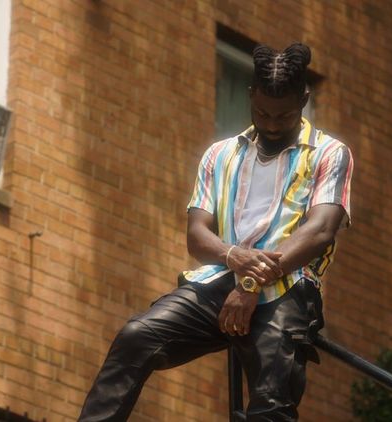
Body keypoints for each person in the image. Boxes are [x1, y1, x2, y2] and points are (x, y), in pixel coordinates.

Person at [78, 43, 353, 421]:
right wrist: (233, 256)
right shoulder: (220, 154)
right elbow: (197, 236)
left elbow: (320, 230)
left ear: (304, 100)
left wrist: (251, 284)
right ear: (250, 96)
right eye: (262, 113)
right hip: (219, 280)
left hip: (289, 288)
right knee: (136, 337)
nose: (272, 124)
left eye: (285, 115)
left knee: (271, 401)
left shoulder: (330, 153)